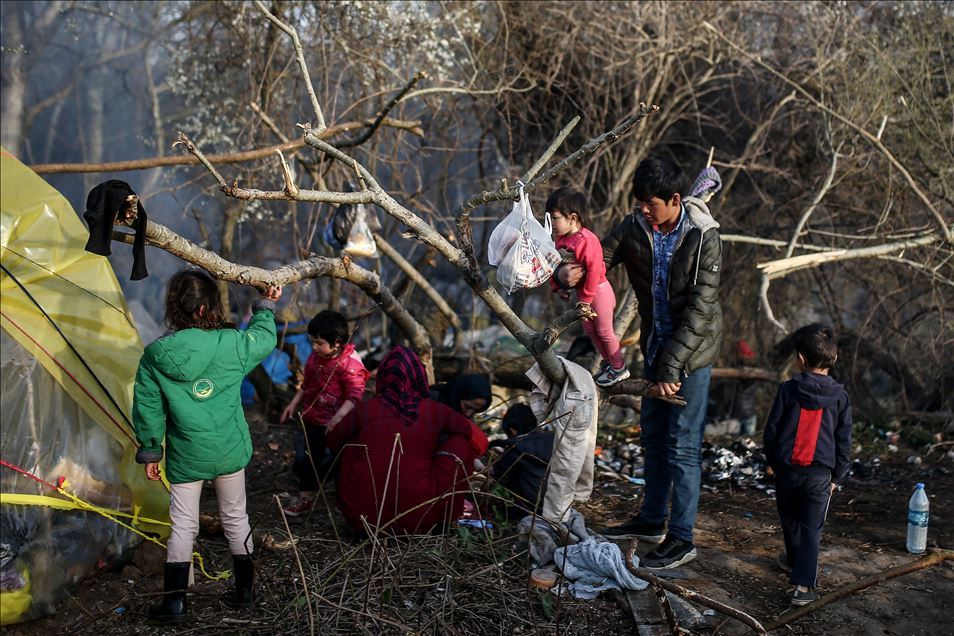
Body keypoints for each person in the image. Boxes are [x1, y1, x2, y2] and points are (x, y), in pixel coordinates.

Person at [567, 153, 722, 569]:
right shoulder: (637, 225)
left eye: (650, 203)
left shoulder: (704, 235)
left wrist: (673, 367)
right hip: (656, 348)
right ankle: (652, 521)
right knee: (653, 437)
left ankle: (682, 537)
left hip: (692, 355)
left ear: (674, 199)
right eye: (639, 203)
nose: (643, 210)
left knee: (683, 447)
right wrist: (569, 272)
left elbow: (701, 310)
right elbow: (601, 260)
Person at [132, 270, 280, 623]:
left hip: (187, 456)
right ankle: (245, 592)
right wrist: (265, 304)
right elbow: (263, 338)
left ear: (177, 309)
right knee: (235, 517)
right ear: (205, 310)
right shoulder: (231, 343)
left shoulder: (155, 356)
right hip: (229, 451)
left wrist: (152, 449)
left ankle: (175, 604)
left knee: (183, 525)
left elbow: (148, 407)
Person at [328, 347, 489, 534]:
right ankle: (449, 518)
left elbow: (333, 441)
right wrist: (437, 451)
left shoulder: (365, 409)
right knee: (460, 443)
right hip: (421, 519)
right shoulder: (435, 410)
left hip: (363, 520)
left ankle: (351, 504)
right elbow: (481, 441)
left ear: (383, 377)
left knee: (352, 441)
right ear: (420, 377)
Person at [763, 324, 851, 606]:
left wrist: (772, 461)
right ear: (833, 360)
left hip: (787, 472)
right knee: (812, 527)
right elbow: (843, 439)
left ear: (800, 358)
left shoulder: (788, 390)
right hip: (819, 476)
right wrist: (838, 475)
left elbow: (772, 430)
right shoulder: (840, 397)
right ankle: (803, 587)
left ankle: (793, 560)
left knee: (790, 520)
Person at [280, 310, 368, 516]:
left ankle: (343, 502)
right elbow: (307, 384)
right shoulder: (316, 357)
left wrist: (337, 418)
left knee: (340, 463)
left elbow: (355, 396)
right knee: (306, 459)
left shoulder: (349, 364)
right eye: (313, 342)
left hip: (337, 424)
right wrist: (293, 404)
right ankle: (305, 499)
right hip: (313, 418)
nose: (314, 347)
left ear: (337, 342)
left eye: (319, 342)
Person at [548, 187, 629, 387]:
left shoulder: (587, 241)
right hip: (581, 295)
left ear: (573, 217)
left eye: (555, 218)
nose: (552, 223)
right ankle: (609, 362)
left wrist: (585, 300)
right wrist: (557, 286)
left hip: (598, 293)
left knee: (604, 331)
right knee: (591, 332)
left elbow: (593, 272)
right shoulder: (560, 239)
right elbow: (553, 263)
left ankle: (619, 366)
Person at [491, 404, 553, 517]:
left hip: (527, 510)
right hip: (557, 507)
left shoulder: (515, 448)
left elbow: (500, 478)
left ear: (512, 431)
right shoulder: (552, 441)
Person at [731, 339, 760, 437]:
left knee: (738, 443)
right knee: (748, 442)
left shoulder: (737, 367)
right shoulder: (755, 366)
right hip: (750, 411)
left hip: (740, 412)